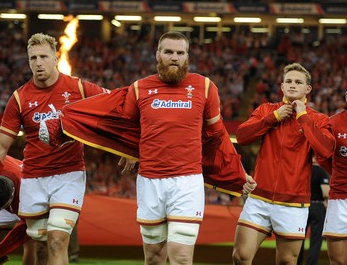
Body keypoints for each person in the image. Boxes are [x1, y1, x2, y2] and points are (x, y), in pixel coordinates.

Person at [41, 31, 256, 265]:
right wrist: (128, 151)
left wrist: (237, 171)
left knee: (181, 257)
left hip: (187, 183)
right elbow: (116, 122)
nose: (174, 57)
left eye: (180, 53)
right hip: (150, 182)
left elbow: (217, 136)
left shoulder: (205, 87)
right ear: (157, 55)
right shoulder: (139, 89)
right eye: (168, 52)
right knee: (153, 257)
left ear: (187, 57)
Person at [0, 33, 109, 265]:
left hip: (68, 175)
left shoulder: (79, 88)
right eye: (33, 58)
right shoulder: (19, 98)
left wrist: (129, 149)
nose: (38, 63)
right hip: (33, 178)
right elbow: (2, 144)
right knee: (39, 248)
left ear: (55, 58)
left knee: (57, 239)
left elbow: (115, 105)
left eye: (43, 56)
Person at [232, 62, 335, 265]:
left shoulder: (319, 119)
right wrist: (273, 118)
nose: (292, 85)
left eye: (298, 82)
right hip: (259, 198)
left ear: (308, 89)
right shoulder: (266, 110)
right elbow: (242, 136)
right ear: (281, 87)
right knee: (240, 256)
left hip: (293, 203)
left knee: (287, 262)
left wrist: (303, 117)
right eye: (288, 81)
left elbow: (326, 150)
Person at [0, 156, 47, 265]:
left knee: (31, 243)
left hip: (25, 202)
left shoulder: (29, 192)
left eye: (6, 206)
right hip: (2, 195)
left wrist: (3, 248)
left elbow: (21, 235)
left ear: (13, 194)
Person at [317, 91, 347, 265]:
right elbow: (322, 155)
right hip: (339, 198)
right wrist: (336, 171)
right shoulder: (333, 122)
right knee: (337, 261)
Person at [297, 158, 329, 265]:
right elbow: (325, 192)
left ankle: (297, 262)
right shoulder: (321, 171)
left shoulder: (303, 171)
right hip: (317, 206)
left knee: (299, 238)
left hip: (302, 206)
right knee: (315, 239)